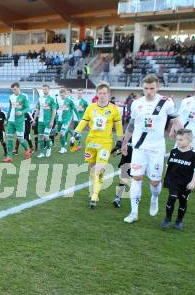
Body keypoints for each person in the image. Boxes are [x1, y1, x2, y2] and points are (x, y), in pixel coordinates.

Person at [122, 74, 182, 223]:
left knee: (155, 182)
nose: (148, 91)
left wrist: (184, 138)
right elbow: (132, 124)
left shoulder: (165, 102)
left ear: (157, 87)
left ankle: (154, 198)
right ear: (142, 88)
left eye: (152, 88)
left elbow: (176, 121)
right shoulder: (136, 103)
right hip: (139, 148)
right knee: (136, 178)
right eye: (146, 88)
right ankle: (133, 212)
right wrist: (124, 143)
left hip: (156, 149)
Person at [71, 83, 123, 208]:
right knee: (93, 168)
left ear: (108, 94)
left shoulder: (114, 109)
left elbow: (119, 126)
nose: (102, 96)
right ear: (97, 94)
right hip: (91, 142)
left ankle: (94, 196)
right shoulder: (91, 107)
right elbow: (84, 121)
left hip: (105, 143)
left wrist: (119, 142)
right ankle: (95, 186)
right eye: (100, 93)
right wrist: (76, 133)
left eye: (105, 93)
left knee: (98, 169)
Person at [161, 129, 195, 229]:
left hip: (186, 183)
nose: (178, 142)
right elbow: (168, 166)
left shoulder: (193, 155)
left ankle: (179, 221)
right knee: (172, 197)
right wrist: (165, 178)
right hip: (173, 180)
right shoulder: (174, 151)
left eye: (181, 140)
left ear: (189, 140)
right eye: (177, 140)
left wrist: (193, 183)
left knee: (183, 201)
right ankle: (167, 219)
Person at [3, 82, 32, 162]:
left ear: (19, 88)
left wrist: (22, 112)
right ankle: (9, 156)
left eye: (15, 89)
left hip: (19, 121)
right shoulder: (11, 97)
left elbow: (27, 107)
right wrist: (7, 119)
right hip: (11, 121)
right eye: (12, 90)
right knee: (9, 139)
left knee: (20, 139)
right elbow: (9, 109)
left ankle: (27, 150)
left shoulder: (24, 96)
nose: (13, 91)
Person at [53, 88, 77, 154]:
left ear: (66, 94)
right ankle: (72, 138)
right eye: (61, 95)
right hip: (59, 119)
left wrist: (78, 117)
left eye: (63, 95)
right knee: (60, 134)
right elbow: (56, 109)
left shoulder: (70, 101)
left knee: (62, 132)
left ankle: (63, 148)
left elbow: (74, 109)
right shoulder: (58, 100)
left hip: (66, 119)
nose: (62, 96)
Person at [35, 84, 56, 158]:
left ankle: (49, 148)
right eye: (43, 89)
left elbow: (54, 110)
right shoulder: (40, 98)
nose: (44, 90)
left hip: (48, 121)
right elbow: (37, 109)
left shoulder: (52, 99)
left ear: (49, 90)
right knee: (40, 137)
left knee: (46, 136)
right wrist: (34, 119)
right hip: (40, 121)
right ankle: (41, 153)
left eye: (46, 89)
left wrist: (52, 121)